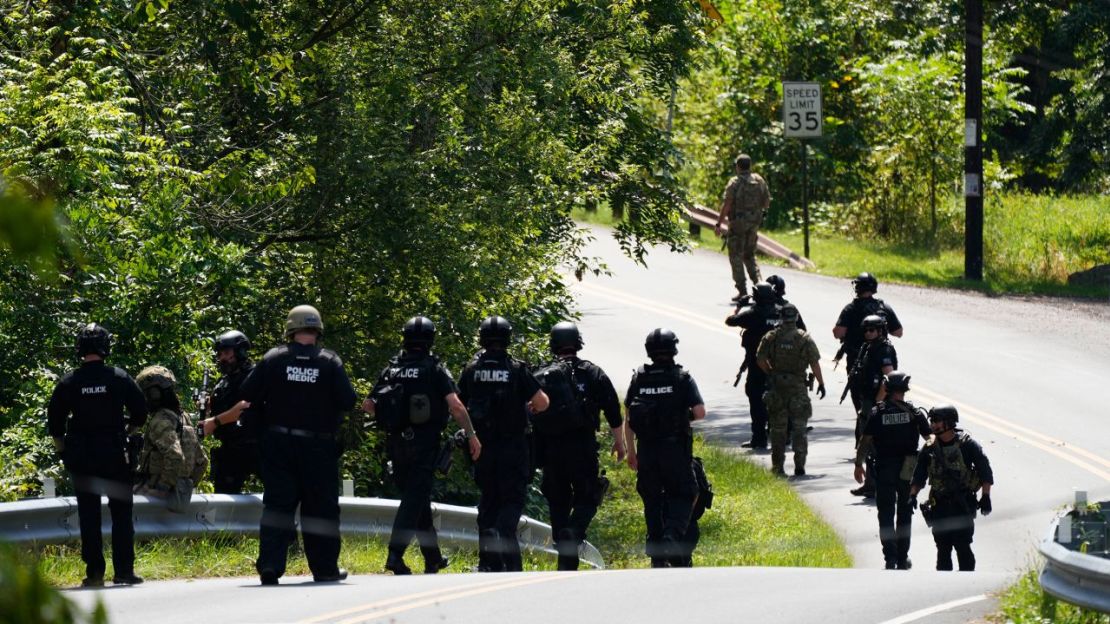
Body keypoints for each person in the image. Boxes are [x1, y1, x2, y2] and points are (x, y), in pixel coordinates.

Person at [240, 305, 357, 585]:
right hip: (319, 448)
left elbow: (246, 393)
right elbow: (349, 401)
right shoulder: (330, 362)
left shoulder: (274, 359)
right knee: (321, 509)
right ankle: (325, 568)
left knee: (278, 505)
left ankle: (270, 564)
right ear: (317, 330)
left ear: (290, 329)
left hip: (279, 444)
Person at [363, 316, 481, 575]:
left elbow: (368, 405)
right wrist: (471, 434)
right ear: (430, 339)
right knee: (413, 499)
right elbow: (456, 405)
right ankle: (395, 555)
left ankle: (433, 558)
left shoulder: (391, 368)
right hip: (424, 444)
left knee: (417, 498)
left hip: (395, 444)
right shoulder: (433, 368)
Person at [46, 323, 147, 587]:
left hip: (83, 457)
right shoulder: (119, 377)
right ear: (106, 346)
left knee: (89, 516)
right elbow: (141, 412)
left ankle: (94, 574)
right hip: (115, 455)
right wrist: (127, 430)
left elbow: (54, 419)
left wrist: (62, 450)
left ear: (79, 347)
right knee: (121, 513)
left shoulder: (70, 381)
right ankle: (124, 571)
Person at [458, 316, 548, 572]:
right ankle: (500, 533)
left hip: (482, 446)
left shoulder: (471, 369)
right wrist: (529, 406)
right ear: (508, 339)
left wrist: (469, 433)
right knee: (512, 500)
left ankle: (488, 561)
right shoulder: (516, 369)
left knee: (488, 501)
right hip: (513, 446)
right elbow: (542, 402)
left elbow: (458, 404)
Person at [532, 321, 625, 571]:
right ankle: (575, 531)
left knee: (558, 502)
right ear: (578, 343)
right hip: (582, 447)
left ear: (553, 344)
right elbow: (613, 410)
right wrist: (620, 441)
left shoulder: (541, 373)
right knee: (589, 495)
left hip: (551, 450)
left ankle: (566, 567)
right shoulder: (592, 372)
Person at [624, 328, 706, 567]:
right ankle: (671, 536)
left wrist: (631, 451)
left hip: (647, 452)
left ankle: (656, 551)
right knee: (685, 493)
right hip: (675, 452)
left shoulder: (639, 377)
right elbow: (700, 412)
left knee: (652, 499)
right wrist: (681, 417)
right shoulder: (682, 377)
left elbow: (629, 416)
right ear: (674, 349)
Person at [852, 372, 930, 570]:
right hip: (908, 469)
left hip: (885, 468)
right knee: (905, 513)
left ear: (886, 389)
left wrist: (858, 465)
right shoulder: (914, 413)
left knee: (885, 513)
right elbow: (930, 439)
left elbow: (865, 440)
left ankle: (890, 558)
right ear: (905, 390)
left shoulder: (878, 413)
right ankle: (903, 558)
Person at [911, 406, 994, 571]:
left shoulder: (968, 445)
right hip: (939, 505)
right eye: (932, 421)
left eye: (937, 421)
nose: (933, 425)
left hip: (962, 505)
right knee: (943, 550)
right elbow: (919, 475)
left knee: (963, 548)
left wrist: (986, 497)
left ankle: (967, 584)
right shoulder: (929, 447)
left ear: (949, 422)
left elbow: (985, 472)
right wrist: (912, 495)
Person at [756, 304, 826, 477]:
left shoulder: (770, 337)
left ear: (781, 317)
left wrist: (771, 372)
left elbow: (760, 359)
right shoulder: (804, 338)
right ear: (796, 317)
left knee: (778, 430)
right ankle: (799, 465)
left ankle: (778, 467)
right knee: (799, 429)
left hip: (777, 389)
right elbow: (815, 363)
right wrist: (821, 383)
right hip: (798, 389)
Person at [133, 366, 208, 509]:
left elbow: (175, 455)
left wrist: (161, 489)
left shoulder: (160, 420)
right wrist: (184, 487)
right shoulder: (182, 418)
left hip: (153, 493)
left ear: (153, 394)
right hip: (177, 497)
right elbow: (202, 461)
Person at [200, 330, 260, 494]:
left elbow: (244, 407)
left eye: (226, 353)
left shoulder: (254, 376)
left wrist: (215, 422)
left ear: (240, 352)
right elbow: (218, 410)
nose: (222, 358)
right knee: (224, 497)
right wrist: (206, 407)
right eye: (219, 354)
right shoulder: (224, 382)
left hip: (256, 447)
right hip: (230, 449)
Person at [832, 272, 903, 405]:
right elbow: (898, 332)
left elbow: (838, 333)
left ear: (857, 287)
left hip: (858, 360)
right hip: (882, 356)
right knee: (886, 390)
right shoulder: (883, 307)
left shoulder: (851, 309)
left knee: (860, 399)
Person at [847, 314, 898, 497]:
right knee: (866, 443)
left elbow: (889, 377)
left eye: (872, 330)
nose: (868, 333)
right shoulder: (868, 347)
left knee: (873, 444)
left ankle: (878, 484)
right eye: (866, 330)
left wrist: (878, 402)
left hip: (875, 402)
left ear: (880, 330)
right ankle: (870, 484)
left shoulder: (883, 350)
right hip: (866, 400)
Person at [725, 283, 780, 449]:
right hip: (780, 365)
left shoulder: (752, 314)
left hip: (757, 365)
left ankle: (759, 438)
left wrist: (739, 306)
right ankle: (782, 435)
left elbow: (730, 321)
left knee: (756, 400)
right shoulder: (781, 312)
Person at [714, 154, 770, 302]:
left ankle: (742, 291)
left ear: (738, 166)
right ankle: (760, 286)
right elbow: (766, 203)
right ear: (750, 166)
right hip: (754, 223)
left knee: (736, 256)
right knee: (750, 255)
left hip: (738, 224)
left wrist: (719, 223)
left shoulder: (734, 183)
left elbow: (727, 205)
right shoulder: (759, 181)